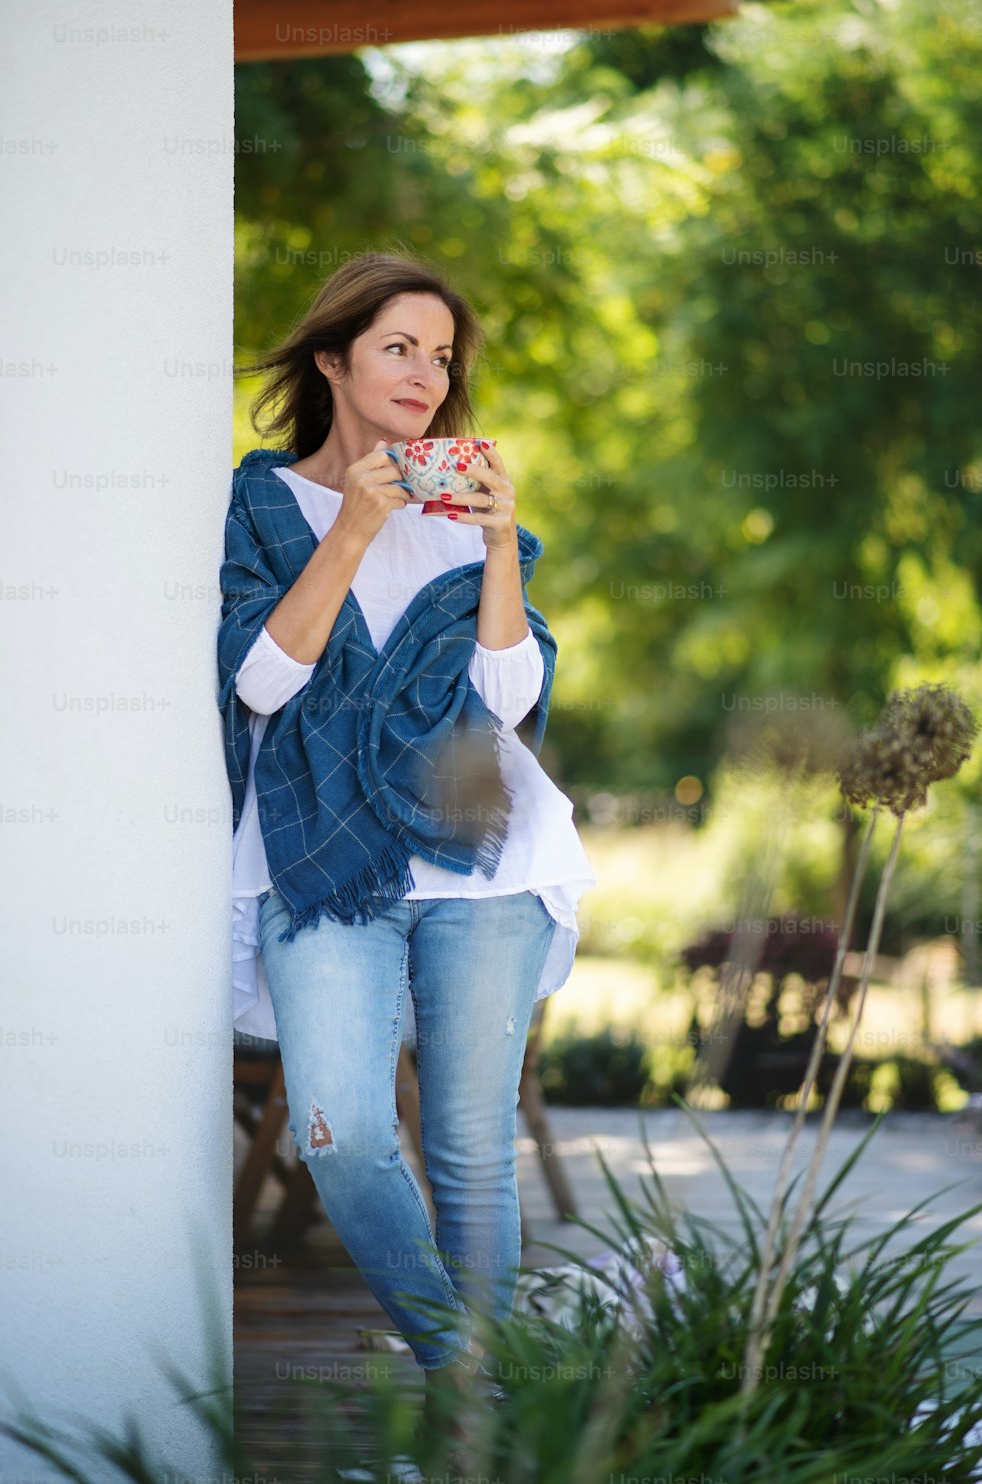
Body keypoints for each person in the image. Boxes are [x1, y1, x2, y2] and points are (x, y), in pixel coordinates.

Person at [217, 250, 596, 1447]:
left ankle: (471, 1440)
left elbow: (508, 693)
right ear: (330, 358)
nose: (427, 374)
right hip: (327, 859)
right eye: (398, 347)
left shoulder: (464, 514)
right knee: (344, 1135)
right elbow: (262, 678)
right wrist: (358, 524)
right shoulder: (263, 503)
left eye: (441, 356)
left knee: (474, 1153)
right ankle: (477, 1374)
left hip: (489, 860)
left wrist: (496, 547)